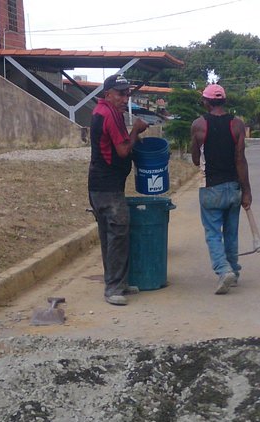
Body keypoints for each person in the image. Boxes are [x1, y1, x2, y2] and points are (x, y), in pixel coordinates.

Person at [88, 74, 148, 306]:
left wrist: (132, 135)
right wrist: (136, 132)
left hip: (103, 184)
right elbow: (123, 150)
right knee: (118, 234)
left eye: (127, 93)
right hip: (107, 187)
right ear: (108, 94)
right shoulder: (109, 114)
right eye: (121, 94)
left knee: (111, 235)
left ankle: (117, 283)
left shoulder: (107, 112)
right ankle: (113, 288)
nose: (125, 98)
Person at [190, 83, 252, 295]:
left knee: (213, 234)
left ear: (206, 102)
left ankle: (223, 270)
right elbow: (240, 160)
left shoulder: (198, 125)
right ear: (223, 100)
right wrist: (247, 192)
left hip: (211, 189)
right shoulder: (237, 125)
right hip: (233, 188)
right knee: (231, 233)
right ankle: (233, 271)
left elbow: (196, 160)